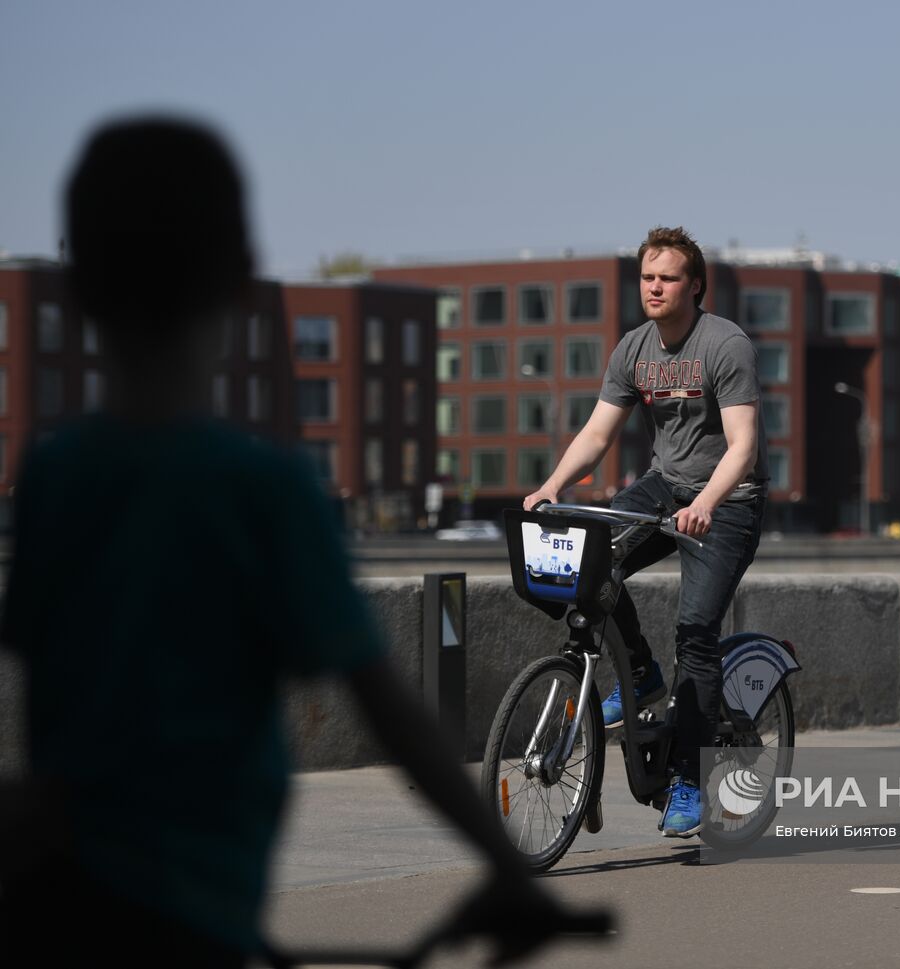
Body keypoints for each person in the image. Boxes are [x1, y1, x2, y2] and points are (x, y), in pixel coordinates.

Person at [0, 116, 593, 967]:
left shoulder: (55, 477)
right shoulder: (262, 492)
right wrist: (506, 866)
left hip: (53, 900)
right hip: (191, 906)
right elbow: (389, 711)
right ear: (241, 281)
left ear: (79, 288)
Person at [523, 226, 766, 838]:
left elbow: (744, 446)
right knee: (588, 560)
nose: (655, 288)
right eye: (647, 277)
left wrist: (709, 501)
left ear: (696, 285)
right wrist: (554, 486)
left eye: (668, 278)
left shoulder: (724, 346)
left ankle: (689, 778)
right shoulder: (634, 349)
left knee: (695, 633)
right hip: (665, 487)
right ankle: (640, 677)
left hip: (727, 502)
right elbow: (598, 434)